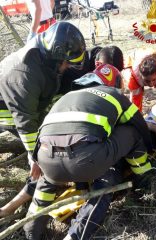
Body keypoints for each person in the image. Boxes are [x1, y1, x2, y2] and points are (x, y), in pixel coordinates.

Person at [23, 63, 153, 239]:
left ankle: (31, 231)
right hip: (85, 160)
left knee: (45, 186)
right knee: (127, 140)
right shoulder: (114, 95)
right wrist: (151, 147)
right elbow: (138, 125)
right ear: (114, 84)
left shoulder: (68, 96)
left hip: (46, 158)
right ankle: (145, 181)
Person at [0, 22, 85, 217]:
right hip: (12, 114)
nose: (67, 67)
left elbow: (48, 93)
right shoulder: (23, 74)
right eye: (66, 63)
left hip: (28, 109)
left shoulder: (43, 56)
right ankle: (9, 209)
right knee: (46, 158)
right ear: (56, 56)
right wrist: (34, 156)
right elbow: (25, 121)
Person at [122, 48, 156, 124]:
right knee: (136, 94)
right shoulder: (134, 77)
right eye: (147, 81)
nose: (151, 84)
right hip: (132, 60)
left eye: (154, 80)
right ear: (141, 76)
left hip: (152, 56)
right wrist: (137, 121)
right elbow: (135, 101)